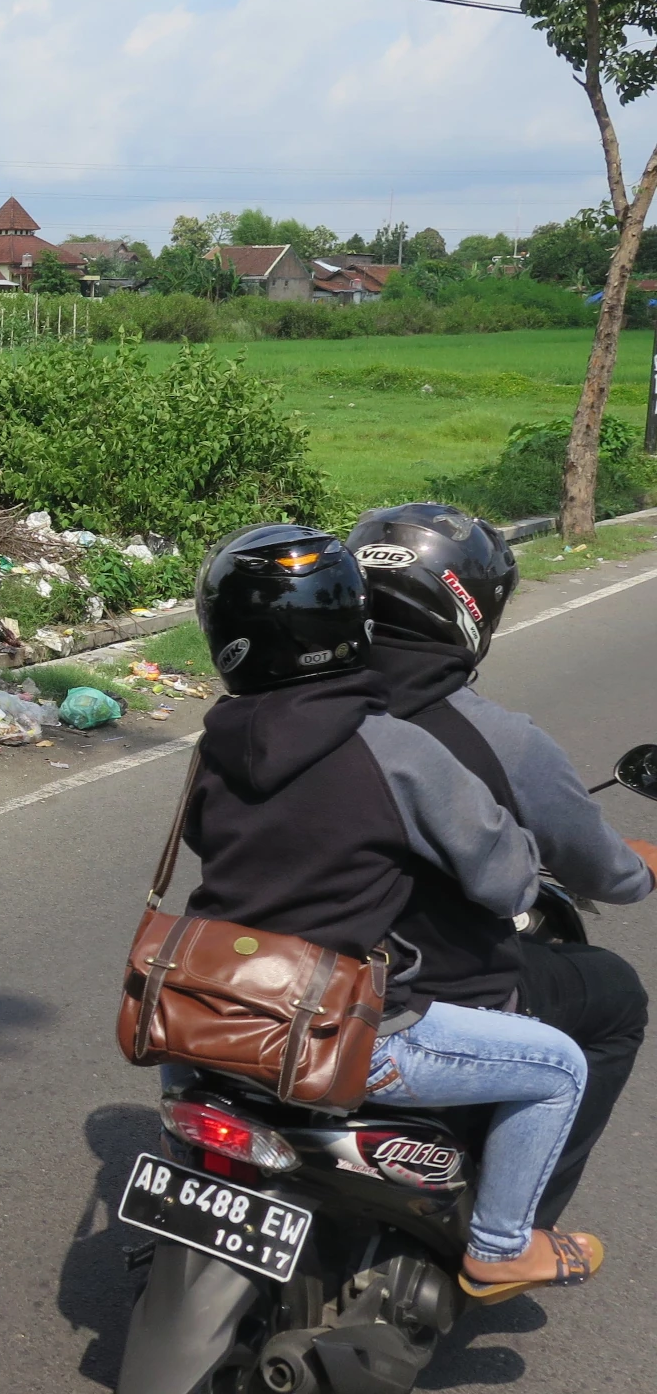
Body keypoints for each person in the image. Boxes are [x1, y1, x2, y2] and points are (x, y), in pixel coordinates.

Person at [189, 523, 600, 1301]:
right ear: (354, 620)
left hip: (218, 1010)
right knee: (560, 1067)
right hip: (344, 1032)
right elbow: (511, 882)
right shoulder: (391, 747)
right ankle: (501, 1246)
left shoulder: (216, 741)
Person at [347, 502, 657, 1229]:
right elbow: (575, 873)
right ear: (468, 609)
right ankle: (512, 1225)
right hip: (402, 995)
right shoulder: (492, 739)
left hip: (259, 974)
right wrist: (635, 872)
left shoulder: (277, 706)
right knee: (613, 997)